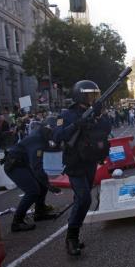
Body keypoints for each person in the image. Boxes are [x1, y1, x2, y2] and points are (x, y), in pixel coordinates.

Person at [53, 80, 111, 256]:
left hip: (90, 161)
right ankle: (71, 237)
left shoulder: (94, 112)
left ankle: (74, 235)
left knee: (82, 198)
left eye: (94, 95)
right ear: (80, 95)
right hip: (75, 163)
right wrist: (76, 125)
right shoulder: (67, 114)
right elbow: (57, 136)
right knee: (85, 199)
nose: (92, 98)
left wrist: (100, 116)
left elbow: (106, 130)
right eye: (89, 95)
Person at [3, 117, 59, 232]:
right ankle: (17, 221)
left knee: (42, 185)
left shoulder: (41, 134)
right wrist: (49, 184)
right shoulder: (37, 140)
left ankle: (40, 212)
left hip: (22, 163)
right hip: (14, 166)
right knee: (33, 190)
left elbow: (50, 147)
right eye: (54, 132)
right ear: (48, 129)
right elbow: (37, 167)